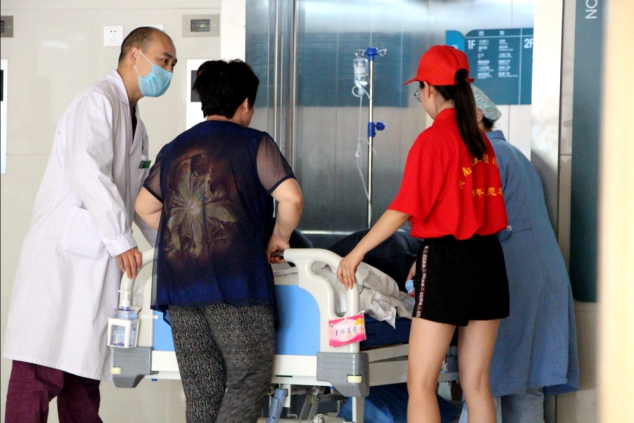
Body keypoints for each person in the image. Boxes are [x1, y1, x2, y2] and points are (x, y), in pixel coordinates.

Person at [2, 27, 177, 422]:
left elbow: (139, 200)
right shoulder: (97, 102)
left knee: (83, 375)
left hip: (97, 263)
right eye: (163, 61)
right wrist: (120, 239)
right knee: (38, 373)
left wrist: (171, 249)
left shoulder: (138, 127)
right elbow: (89, 172)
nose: (167, 72)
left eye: (172, 65)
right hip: (62, 259)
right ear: (134, 55)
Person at [337, 45, 510, 423]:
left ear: (429, 89)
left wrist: (356, 253)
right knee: (477, 383)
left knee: (421, 383)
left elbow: (402, 209)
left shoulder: (433, 140)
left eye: (419, 92)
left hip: (449, 262)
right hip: (490, 261)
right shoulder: (481, 142)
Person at [135, 59, 303, 423]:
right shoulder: (254, 144)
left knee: (202, 392)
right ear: (245, 103)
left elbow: (144, 207)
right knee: (248, 379)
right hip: (236, 284)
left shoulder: (175, 148)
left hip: (180, 288)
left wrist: (188, 234)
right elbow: (291, 198)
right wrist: (279, 238)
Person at [458, 87, 579, 423]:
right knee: (525, 387)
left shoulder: (485, 157)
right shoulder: (513, 155)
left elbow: (470, 225)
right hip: (540, 277)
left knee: (484, 382)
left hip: (513, 280)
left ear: (477, 116)